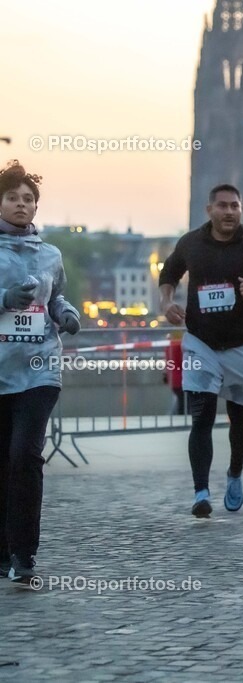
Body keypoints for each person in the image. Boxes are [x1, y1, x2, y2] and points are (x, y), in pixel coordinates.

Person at [160, 184, 243, 518]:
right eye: (223, 206)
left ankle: (234, 474)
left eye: (235, 206)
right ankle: (201, 491)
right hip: (201, 343)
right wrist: (167, 301)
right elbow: (169, 272)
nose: (229, 212)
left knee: (240, 418)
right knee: (201, 416)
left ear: (241, 209)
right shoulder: (190, 243)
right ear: (209, 210)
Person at [0, 161, 81, 583]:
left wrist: (66, 313)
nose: (21, 204)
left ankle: (24, 553)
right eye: (12, 197)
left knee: (25, 455)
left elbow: (57, 296)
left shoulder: (50, 254)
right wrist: (4, 297)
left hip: (39, 370)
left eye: (28, 199)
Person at [165, 330, 186, 415]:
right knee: (184, 404)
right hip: (182, 378)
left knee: (180, 401)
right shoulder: (179, 346)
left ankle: (175, 417)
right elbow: (183, 362)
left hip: (173, 378)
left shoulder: (169, 345)